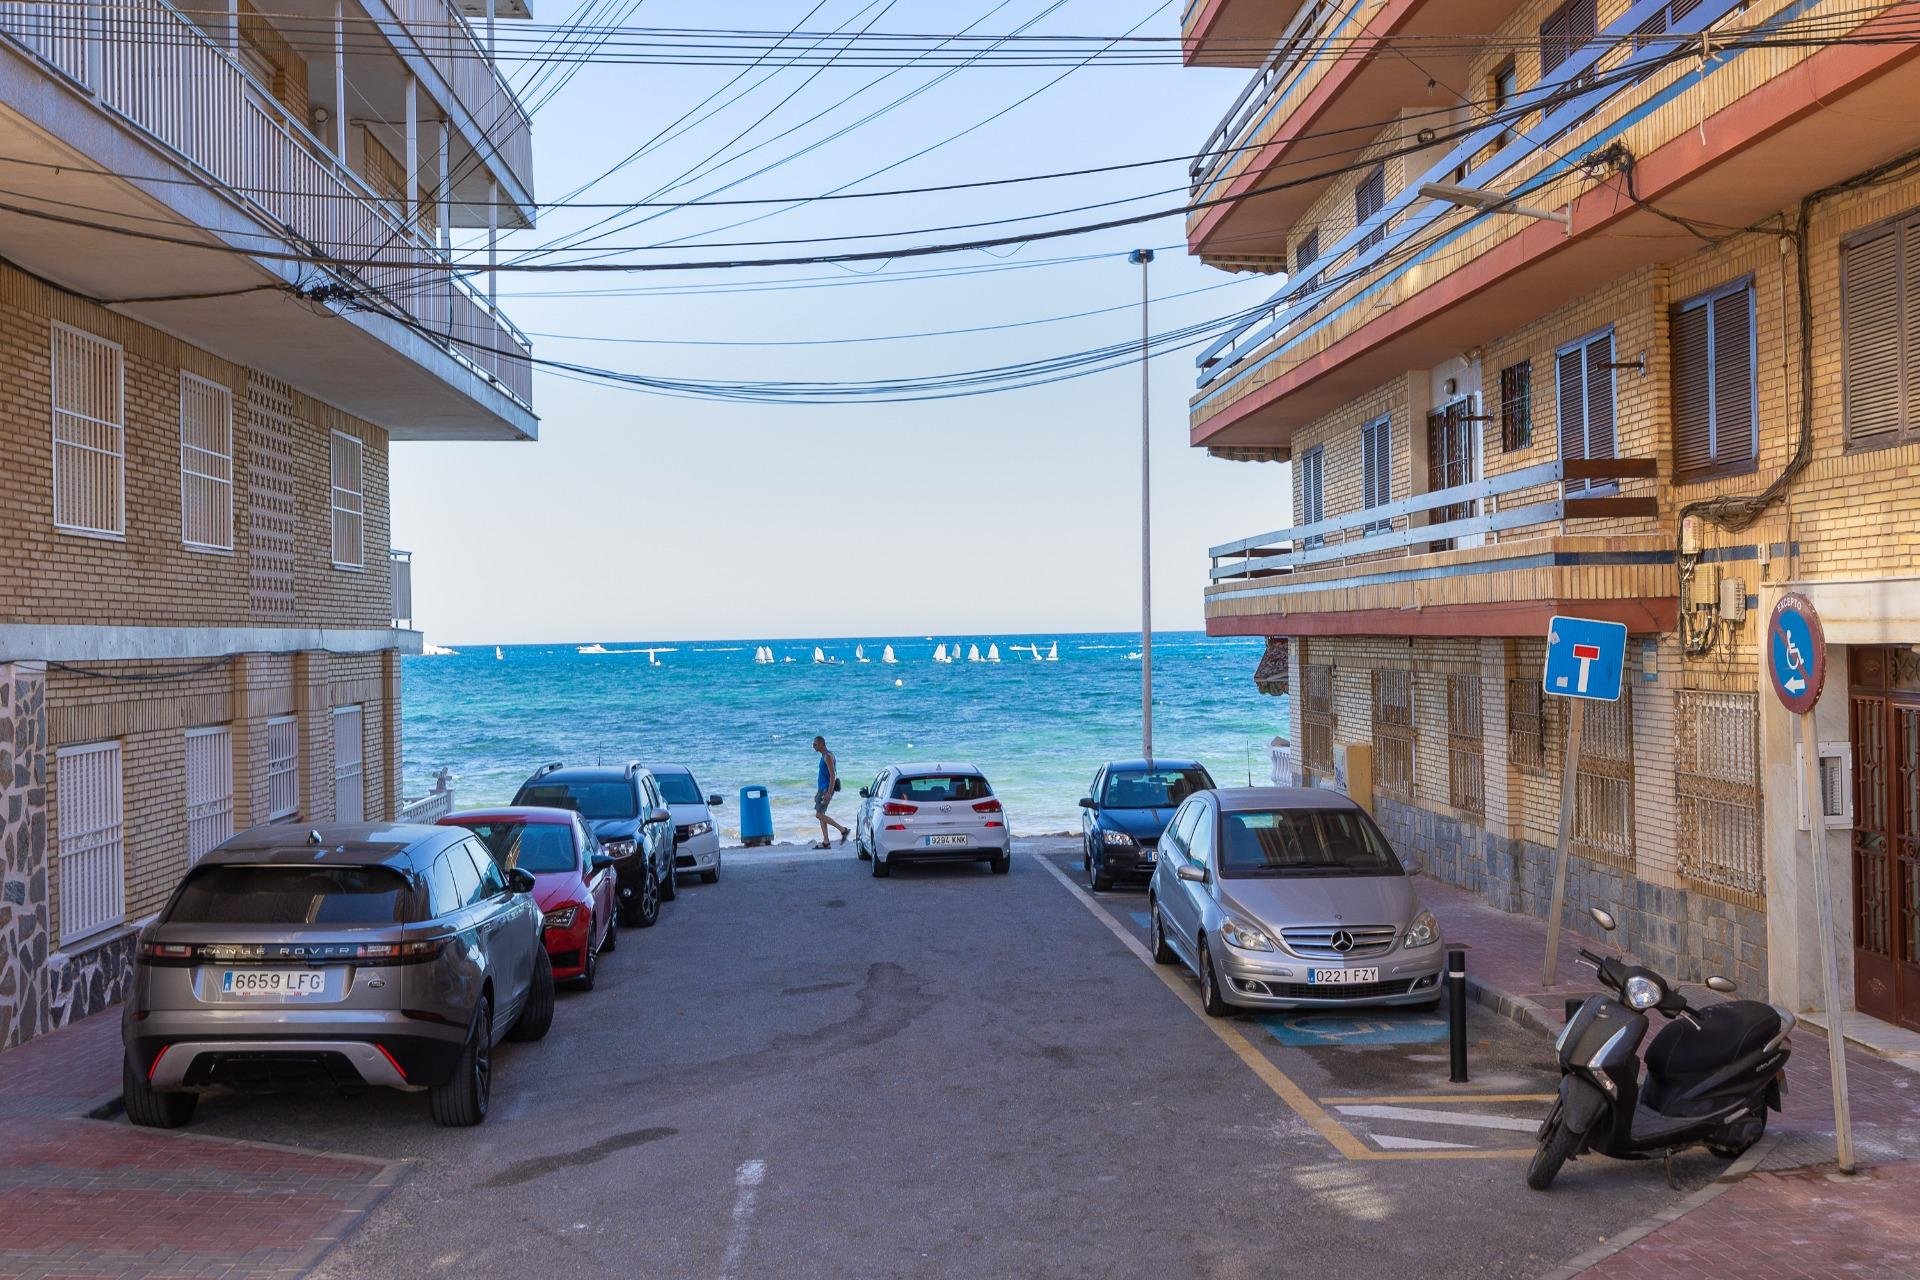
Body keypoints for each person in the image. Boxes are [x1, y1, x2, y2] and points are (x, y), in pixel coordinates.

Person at [811, 735, 850, 849]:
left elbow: (833, 775)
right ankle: (826, 842)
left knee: (818, 814)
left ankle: (843, 830)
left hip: (826, 789)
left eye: (815, 744)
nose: (813, 747)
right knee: (821, 815)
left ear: (822, 744)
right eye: (813, 744)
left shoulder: (827, 756)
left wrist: (828, 792)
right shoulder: (825, 755)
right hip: (822, 789)